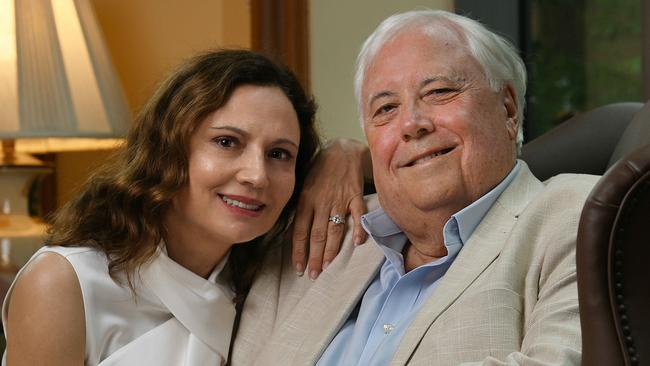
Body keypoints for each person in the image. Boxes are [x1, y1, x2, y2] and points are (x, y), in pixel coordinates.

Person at [232, 10, 599, 365]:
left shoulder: (577, 216)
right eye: (386, 109)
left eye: (439, 91)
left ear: (507, 107)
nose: (411, 123)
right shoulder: (321, 236)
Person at [2, 49, 320, 365]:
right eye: (226, 142)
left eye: (279, 153)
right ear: (167, 149)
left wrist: (347, 156)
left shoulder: (272, 282)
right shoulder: (65, 283)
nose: (257, 175)